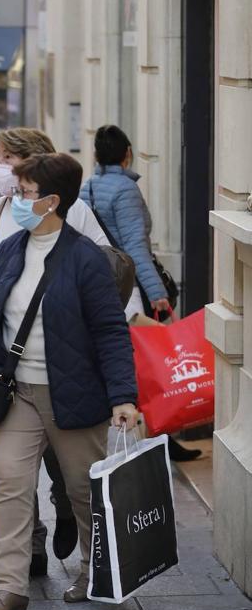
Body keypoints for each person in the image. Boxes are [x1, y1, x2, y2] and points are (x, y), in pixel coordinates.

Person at [0, 153, 138, 610]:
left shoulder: (86, 259)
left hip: (73, 395)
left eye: (24, 192)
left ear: (52, 201)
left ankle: (92, 570)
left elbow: (110, 332)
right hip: (17, 393)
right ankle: (10, 587)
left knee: (83, 489)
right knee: (10, 487)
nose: (14, 199)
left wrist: (123, 395)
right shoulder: (14, 248)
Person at [0, 127, 110, 574]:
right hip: (13, 375)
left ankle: (89, 561)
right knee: (10, 482)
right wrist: (6, 284)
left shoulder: (79, 233)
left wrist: (124, 394)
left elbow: (108, 307)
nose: (3, 174)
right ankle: (14, 579)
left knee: (75, 480)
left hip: (69, 380)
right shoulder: (2, 226)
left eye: (11, 161)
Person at [80, 124, 200, 462]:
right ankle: (162, 429)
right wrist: (157, 291)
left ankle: (160, 434)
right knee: (154, 359)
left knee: (132, 361)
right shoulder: (126, 191)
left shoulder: (88, 188)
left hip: (100, 286)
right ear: (128, 154)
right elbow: (134, 247)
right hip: (127, 287)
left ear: (96, 156)